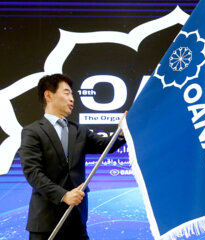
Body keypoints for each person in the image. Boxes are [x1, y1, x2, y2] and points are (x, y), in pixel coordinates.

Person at [19, 74, 126, 240]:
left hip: (77, 222)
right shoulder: (32, 132)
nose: (72, 98)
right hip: (45, 224)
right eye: (67, 93)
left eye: (72, 94)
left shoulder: (79, 130)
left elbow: (106, 146)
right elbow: (33, 172)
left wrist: (121, 133)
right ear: (48, 95)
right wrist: (64, 195)